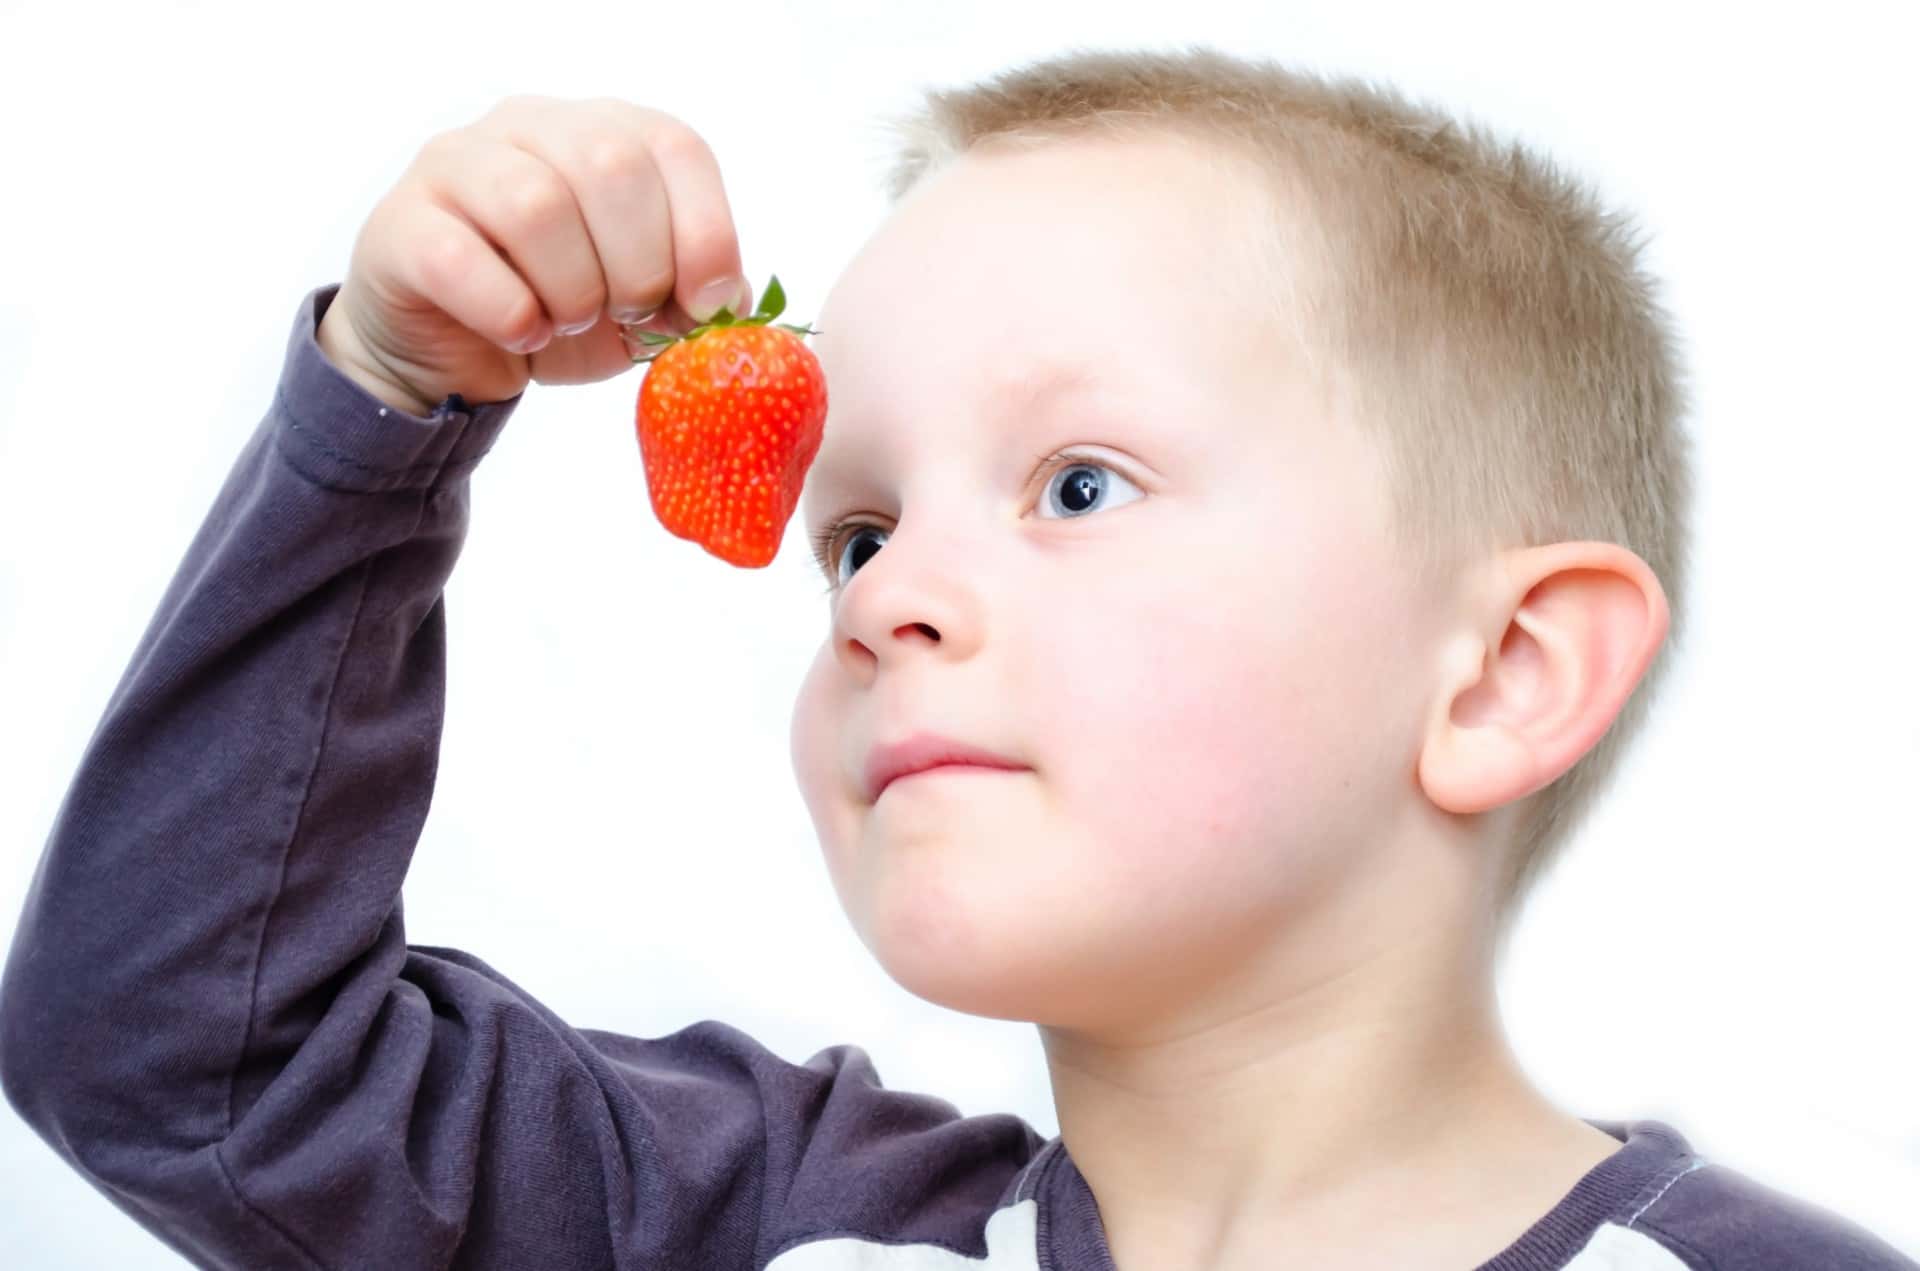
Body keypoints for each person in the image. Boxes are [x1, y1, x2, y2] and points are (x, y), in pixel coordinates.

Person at [0, 47, 1911, 1271]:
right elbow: (182, 1055)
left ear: (1501, 674)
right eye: (856, 529)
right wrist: (393, 398)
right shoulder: (751, 1221)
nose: (875, 599)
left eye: (1078, 484)